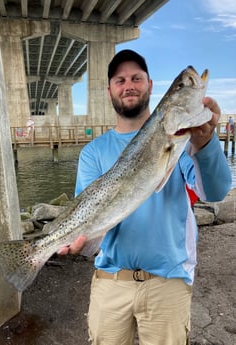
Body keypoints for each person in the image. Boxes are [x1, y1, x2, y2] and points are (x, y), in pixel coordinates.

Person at [58, 50, 231, 345]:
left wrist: (205, 141)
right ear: (109, 89)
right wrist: (74, 238)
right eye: (120, 79)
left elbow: (215, 191)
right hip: (110, 282)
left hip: (168, 282)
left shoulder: (184, 141)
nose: (129, 85)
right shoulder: (93, 152)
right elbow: (87, 214)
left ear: (150, 85)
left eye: (136, 78)